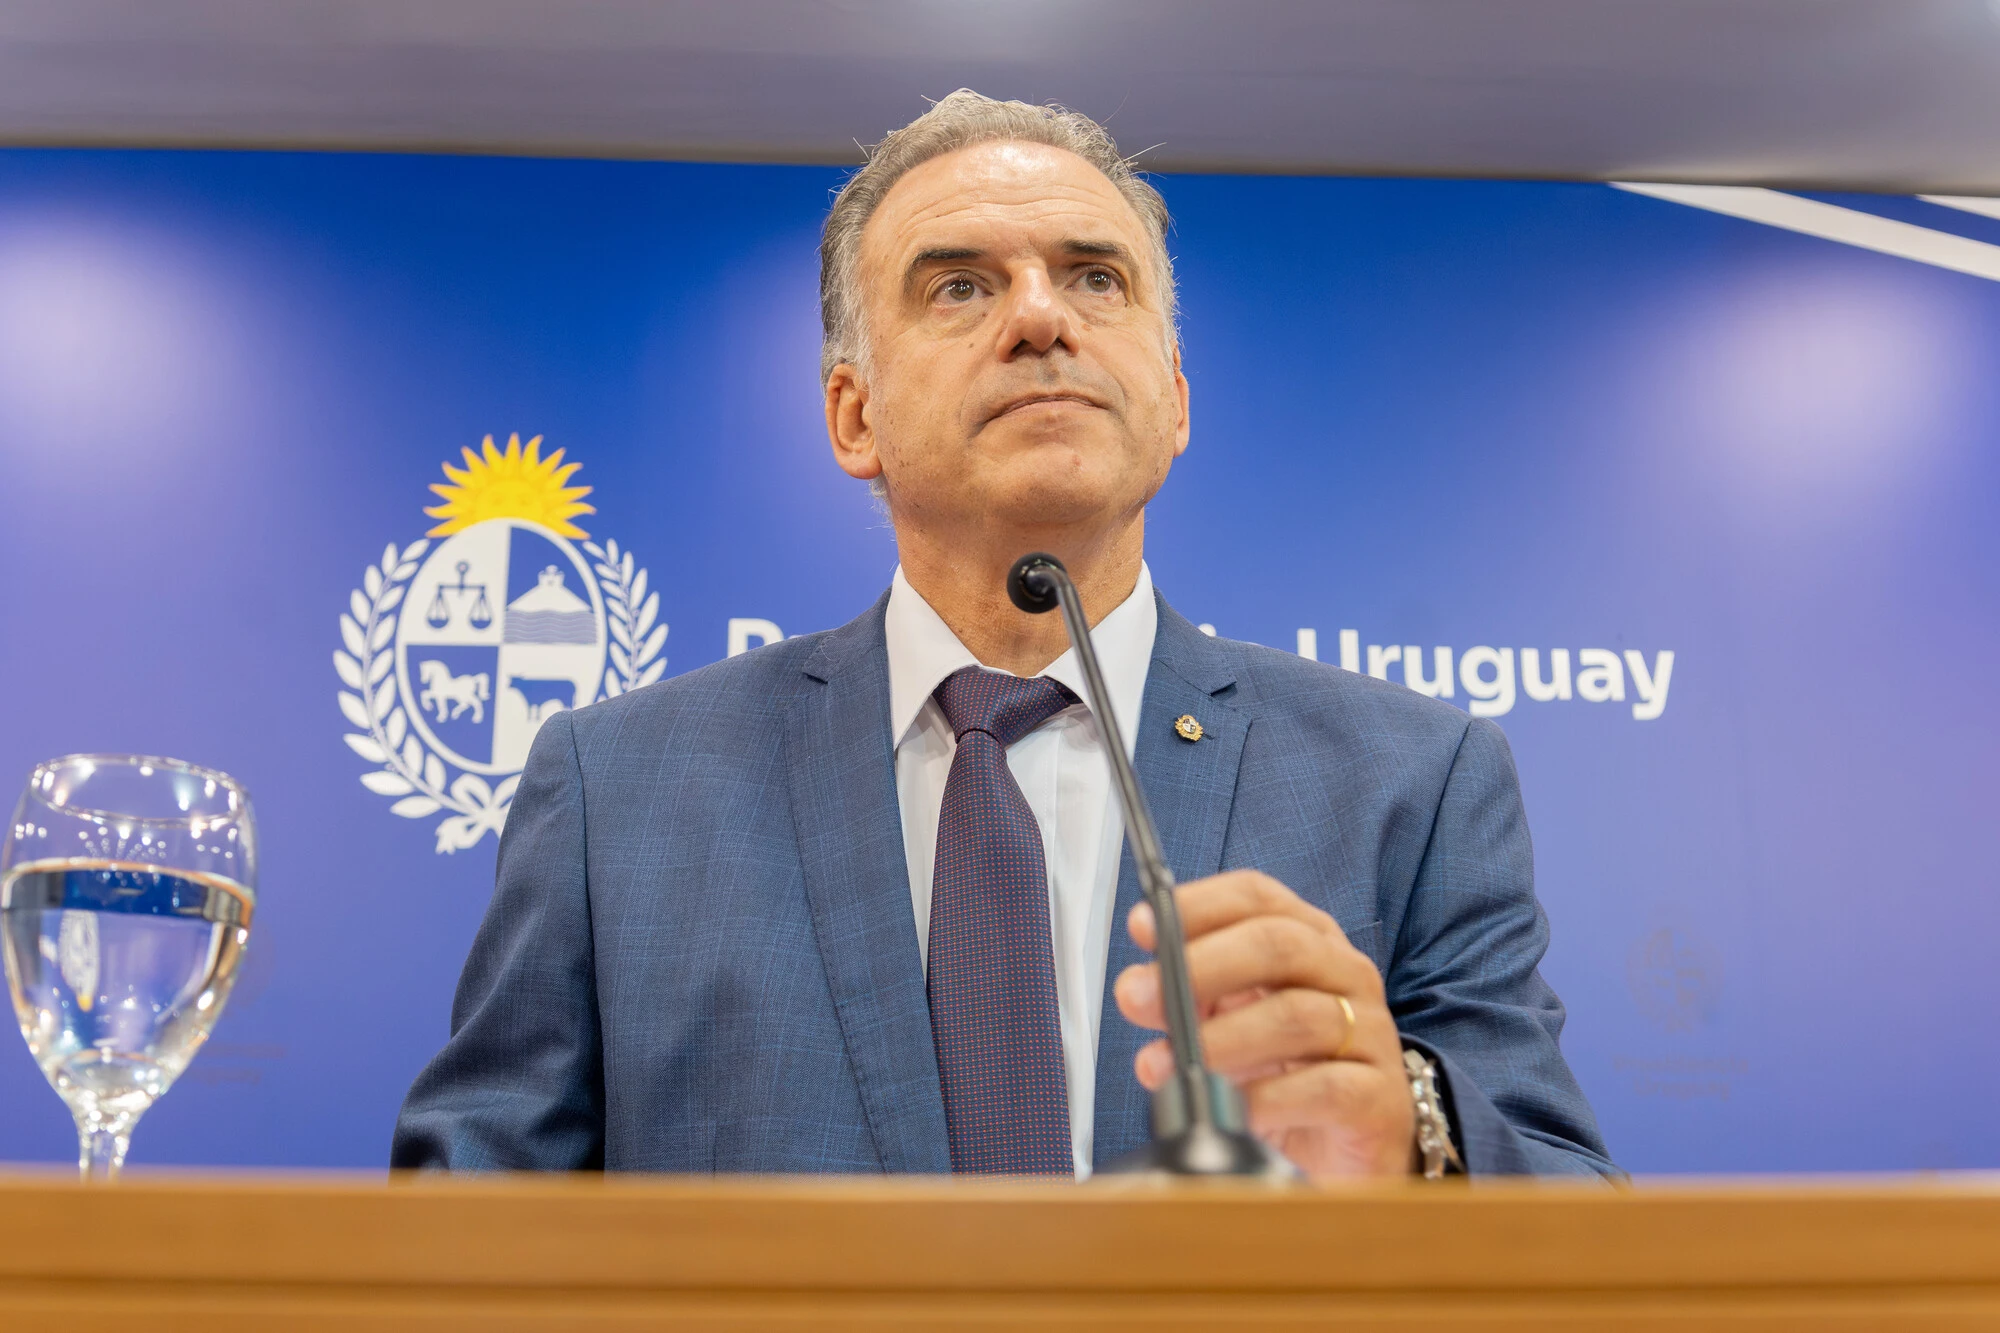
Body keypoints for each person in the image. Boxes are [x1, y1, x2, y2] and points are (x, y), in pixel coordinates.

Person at [392, 90, 1615, 1180]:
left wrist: (1411, 1134)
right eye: (959, 287)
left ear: (1173, 401)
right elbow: (461, 1225)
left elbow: (1574, 1215)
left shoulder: (1411, 780)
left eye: (1095, 279)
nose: (1040, 318)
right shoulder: (617, 790)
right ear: (852, 416)